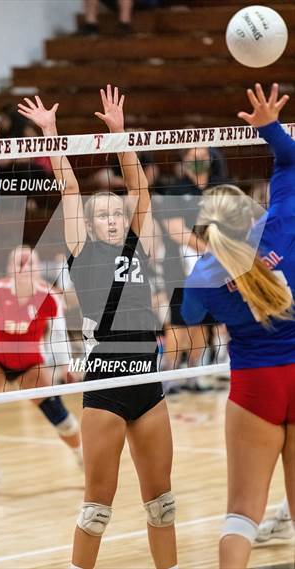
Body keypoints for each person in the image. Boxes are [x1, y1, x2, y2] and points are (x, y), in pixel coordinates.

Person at [18, 85, 177, 569]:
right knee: (96, 509)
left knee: (162, 503)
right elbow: (69, 190)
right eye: (102, 213)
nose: (111, 217)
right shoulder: (83, 252)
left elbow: (140, 191)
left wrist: (120, 135)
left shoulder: (136, 244)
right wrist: (51, 132)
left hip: (147, 378)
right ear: (89, 224)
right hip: (106, 379)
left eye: (116, 212)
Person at [181, 83, 295, 569]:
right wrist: (270, 127)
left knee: (242, 516)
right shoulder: (281, 227)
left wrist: (206, 260)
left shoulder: (204, 277)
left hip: (255, 386)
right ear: (250, 212)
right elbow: (290, 163)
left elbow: (189, 318)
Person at [0, 245, 82, 497]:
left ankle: (82, 457)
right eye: (20, 263)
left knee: (60, 417)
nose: (25, 268)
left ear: (39, 269)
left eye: (31, 264)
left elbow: (58, 335)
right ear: (9, 269)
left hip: (30, 364)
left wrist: (66, 366)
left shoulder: (49, 296)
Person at [160, 145, 229, 392]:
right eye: (192, 156)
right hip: (180, 267)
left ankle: (193, 375)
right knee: (178, 322)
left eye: (202, 156)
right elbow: (175, 231)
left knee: (203, 321)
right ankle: (167, 376)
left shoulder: (220, 189)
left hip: (213, 268)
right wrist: (210, 249)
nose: (198, 160)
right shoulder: (175, 190)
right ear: (184, 160)